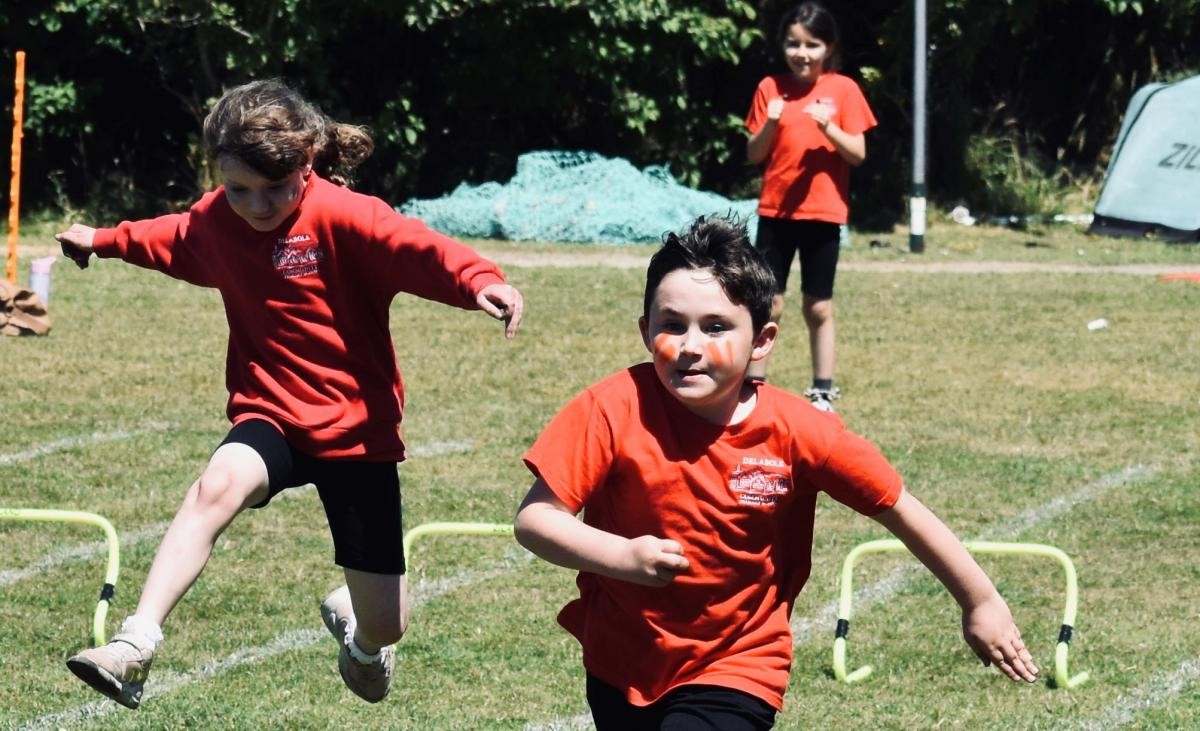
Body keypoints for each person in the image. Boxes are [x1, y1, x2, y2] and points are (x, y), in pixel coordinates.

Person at [55, 78, 525, 709]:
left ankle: (362, 637)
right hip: (270, 411)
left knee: (387, 623)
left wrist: (478, 279)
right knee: (216, 486)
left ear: (307, 164)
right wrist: (103, 240)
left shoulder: (346, 216)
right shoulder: (217, 219)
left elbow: (417, 247)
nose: (256, 205)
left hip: (354, 431)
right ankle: (134, 645)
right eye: (238, 189)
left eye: (274, 187)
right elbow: (170, 238)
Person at [514, 215, 1036, 730]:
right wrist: (623, 557)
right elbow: (536, 519)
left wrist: (981, 600)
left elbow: (897, 508)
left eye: (716, 327)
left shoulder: (800, 431)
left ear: (761, 341)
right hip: (621, 661)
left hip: (738, 662)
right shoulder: (610, 407)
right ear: (645, 331)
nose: (691, 345)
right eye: (671, 325)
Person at [744, 1, 877, 412]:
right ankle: (752, 386)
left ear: (829, 47)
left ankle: (822, 391)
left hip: (823, 214)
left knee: (817, 305)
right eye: (793, 43)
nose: (801, 53)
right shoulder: (770, 87)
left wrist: (828, 127)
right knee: (768, 303)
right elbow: (753, 154)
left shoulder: (844, 90)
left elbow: (858, 154)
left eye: (812, 44)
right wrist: (771, 123)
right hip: (776, 214)